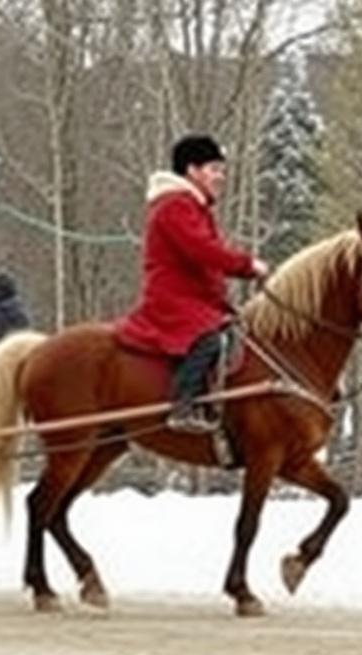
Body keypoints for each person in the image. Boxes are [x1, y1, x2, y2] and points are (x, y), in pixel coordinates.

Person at [116, 134, 270, 432]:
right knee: (207, 338)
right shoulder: (175, 206)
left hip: (196, 299)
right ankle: (182, 405)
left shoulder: (193, 206)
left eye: (220, 170)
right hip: (174, 299)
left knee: (231, 332)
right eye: (214, 169)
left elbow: (205, 263)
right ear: (192, 170)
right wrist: (247, 265)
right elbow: (203, 251)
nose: (220, 177)